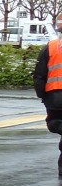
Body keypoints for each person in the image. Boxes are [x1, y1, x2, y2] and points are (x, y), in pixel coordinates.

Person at [32, 16, 62, 176]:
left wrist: (42, 96)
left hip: (55, 96)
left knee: (54, 123)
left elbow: (39, 75)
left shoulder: (51, 47)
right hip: (55, 96)